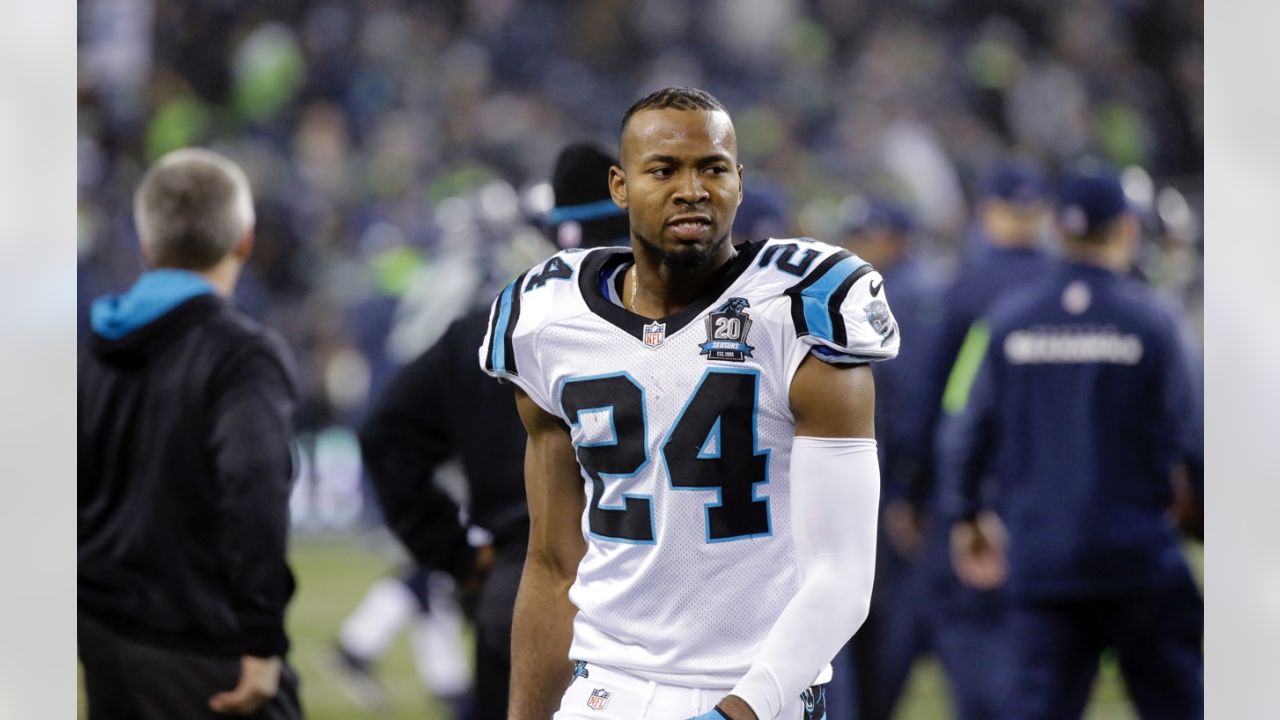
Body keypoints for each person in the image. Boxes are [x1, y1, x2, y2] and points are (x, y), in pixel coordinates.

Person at [480, 87, 899, 720]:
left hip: (760, 690)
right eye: (664, 169)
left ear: (739, 179)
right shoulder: (548, 319)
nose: (692, 189)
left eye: (712, 167)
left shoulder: (801, 308)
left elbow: (842, 578)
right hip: (607, 686)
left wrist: (737, 711)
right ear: (620, 186)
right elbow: (552, 563)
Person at [354, 141, 629, 720]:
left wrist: (454, 554)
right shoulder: (680, 326)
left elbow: (384, 436)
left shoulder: (484, 329)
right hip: (645, 595)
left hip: (519, 585)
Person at [937, 167, 1204, 718]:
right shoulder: (1155, 321)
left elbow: (963, 429)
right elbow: (1196, 434)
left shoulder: (1008, 321)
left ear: (1057, 228)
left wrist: (966, 516)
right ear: (1126, 229)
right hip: (1139, 560)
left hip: (1042, 561)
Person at [78, 148, 302, 719]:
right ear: (244, 240)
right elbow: (253, 487)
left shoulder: (89, 353)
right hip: (206, 648)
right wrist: (261, 639)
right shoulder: (242, 355)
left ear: (146, 243)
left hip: (105, 643)